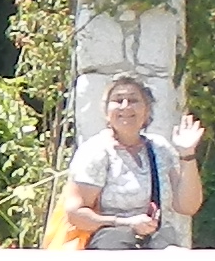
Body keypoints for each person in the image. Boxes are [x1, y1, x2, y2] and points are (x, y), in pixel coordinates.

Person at [52, 75, 202, 251]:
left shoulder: (160, 148)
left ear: (147, 110)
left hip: (157, 241)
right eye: (118, 100)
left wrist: (187, 154)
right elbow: (75, 214)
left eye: (133, 100)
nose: (125, 106)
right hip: (111, 245)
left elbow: (187, 206)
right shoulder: (95, 151)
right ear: (106, 112)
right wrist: (125, 223)